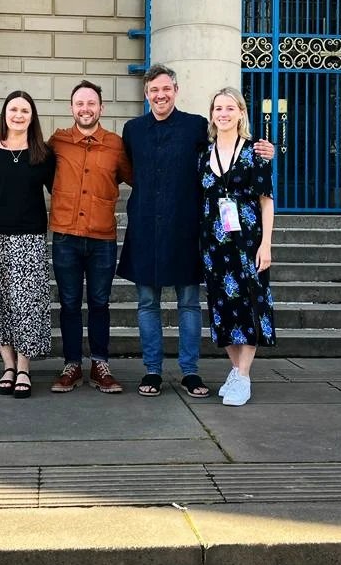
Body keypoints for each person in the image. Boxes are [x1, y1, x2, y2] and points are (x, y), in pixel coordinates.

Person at [117, 64, 274, 397]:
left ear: (176, 90)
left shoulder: (195, 127)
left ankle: (190, 372)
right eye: (153, 90)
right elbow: (130, 172)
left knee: (189, 303)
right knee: (147, 303)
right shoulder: (132, 130)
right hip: (145, 228)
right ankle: (152, 371)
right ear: (146, 94)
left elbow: (229, 148)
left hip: (187, 228)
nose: (160, 95)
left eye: (166, 89)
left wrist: (267, 150)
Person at [47, 80, 133, 394]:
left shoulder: (115, 144)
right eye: (80, 103)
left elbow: (138, 177)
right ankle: (71, 364)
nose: (86, 109)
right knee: (69, 303)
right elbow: (41, 174)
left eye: (91, 103)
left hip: (102, 238)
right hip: (66, 236)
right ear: (72, 108)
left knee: (99, 302)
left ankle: (99, 364)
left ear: (101, 108)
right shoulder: (57, 142)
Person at [0, 91, 56, 399]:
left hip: (30, 238)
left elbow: (61, 191)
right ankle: (7, 365)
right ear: (4, 114)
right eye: (13, 109)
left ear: (32, 116)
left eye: (24, 110)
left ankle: (24, 367)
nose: (18, 115)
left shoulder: (43, 155)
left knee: (26, 304)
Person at [200, 87, 275, 406]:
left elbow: (266, 201)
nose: (224, 113)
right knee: (222, 308)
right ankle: (234, 368)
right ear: (212, 114)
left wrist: (266, 245)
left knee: (249, 305)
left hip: (247, 241)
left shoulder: (256, 151)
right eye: (218, 108)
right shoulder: (204, 153)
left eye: (230, 108)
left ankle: (243, 376)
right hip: (214, 243)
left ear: (241, 112)